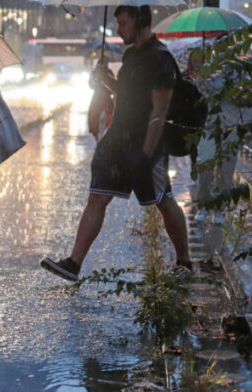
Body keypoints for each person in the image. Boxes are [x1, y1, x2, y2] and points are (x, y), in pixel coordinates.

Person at [41, 5, 192, 282]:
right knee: (96, 197)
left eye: (123, 24)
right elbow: (128, 95)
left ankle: (184, 261)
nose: (119, 30)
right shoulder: (132, 54)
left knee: (164, 201)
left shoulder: (160, 59)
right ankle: (73, 264)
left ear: (140, 20)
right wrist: (105, 80)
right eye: (118, 24)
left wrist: (146, 154)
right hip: (117, 140)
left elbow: (159, 111)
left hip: (145, 145)